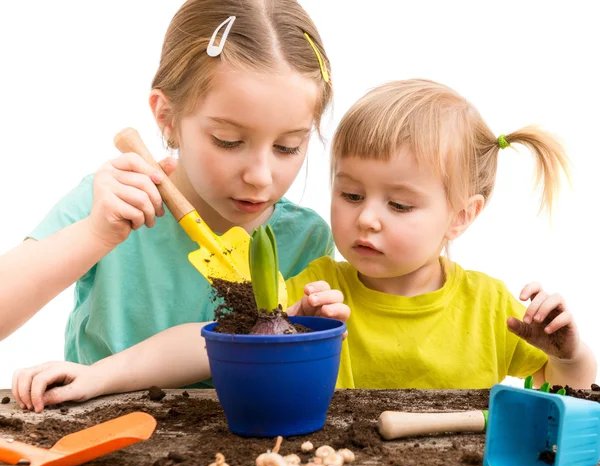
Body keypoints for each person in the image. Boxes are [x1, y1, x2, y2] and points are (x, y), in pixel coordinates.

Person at [4, 0, 350, 411]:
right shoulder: (111, 201)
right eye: (228, 141)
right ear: (167, 116)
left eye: (288, 146)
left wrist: (296, 327)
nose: (260, 174)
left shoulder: (304, 238)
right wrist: (95, 234)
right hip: (100, 431)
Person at [286, 79, 596, 389]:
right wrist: (295, 329)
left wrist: (568, 358)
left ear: (460, 216)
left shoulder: (488, 309)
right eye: (352, 195)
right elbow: (247, 366)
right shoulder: (314, 292)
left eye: (399, 205)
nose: (366, 218)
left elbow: (564, 393)